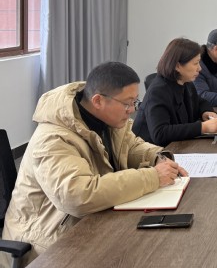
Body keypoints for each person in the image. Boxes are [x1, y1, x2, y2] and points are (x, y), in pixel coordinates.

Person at [1, 62, 188, 266]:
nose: (132, 110)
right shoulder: (53, 139)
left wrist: (157, 157)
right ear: (98, 100)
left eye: (135, 102)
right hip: (47, 244)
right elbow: (78, 196)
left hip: (94, 222)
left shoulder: (108, 118)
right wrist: (152, 176)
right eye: (127, 104)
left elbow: (131, 145)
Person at [133, 38, 217, 147]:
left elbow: (199, 102)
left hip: (178, 145)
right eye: (195, 63)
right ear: (177, 66)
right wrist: (203, 127)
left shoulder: (185, 82)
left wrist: (206, 112)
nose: (199, 68)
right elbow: (160, 133)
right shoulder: (157, 91)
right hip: (151, 151)